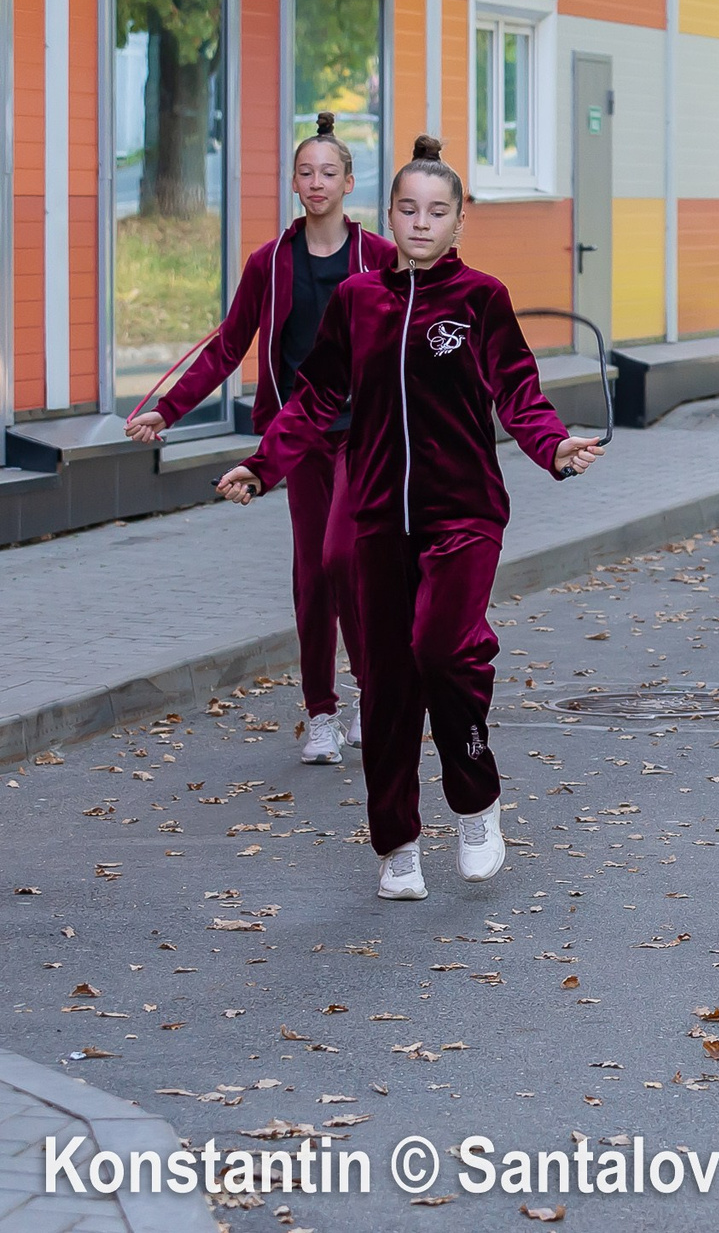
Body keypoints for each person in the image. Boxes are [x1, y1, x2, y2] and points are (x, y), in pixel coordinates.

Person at [216, 137, 605, 901]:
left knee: (441, 648)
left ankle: (476, 801)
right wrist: (264, 465)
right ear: (388, 215)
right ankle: (396, 844)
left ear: (461, 220)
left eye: (437, 211)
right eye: (408, 208)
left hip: (464, 514)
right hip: (375, 521)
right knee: (388, 683)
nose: (421, 222)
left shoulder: (481, 298)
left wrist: (554, 446)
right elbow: (318, 398)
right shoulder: (358, 301)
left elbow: (518, 390)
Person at [128, 113, 399, 766]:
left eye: (328, 172)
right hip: (301, 435)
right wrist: (169, 408)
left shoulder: (380, 259)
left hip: (367, 436)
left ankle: (372, 690)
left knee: (351, 564)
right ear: (294, 182)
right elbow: (227, 344)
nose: (315, 182)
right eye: (305, 172)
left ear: (349, 183)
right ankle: (323, 713)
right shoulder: (271, 262)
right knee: (314, 572)